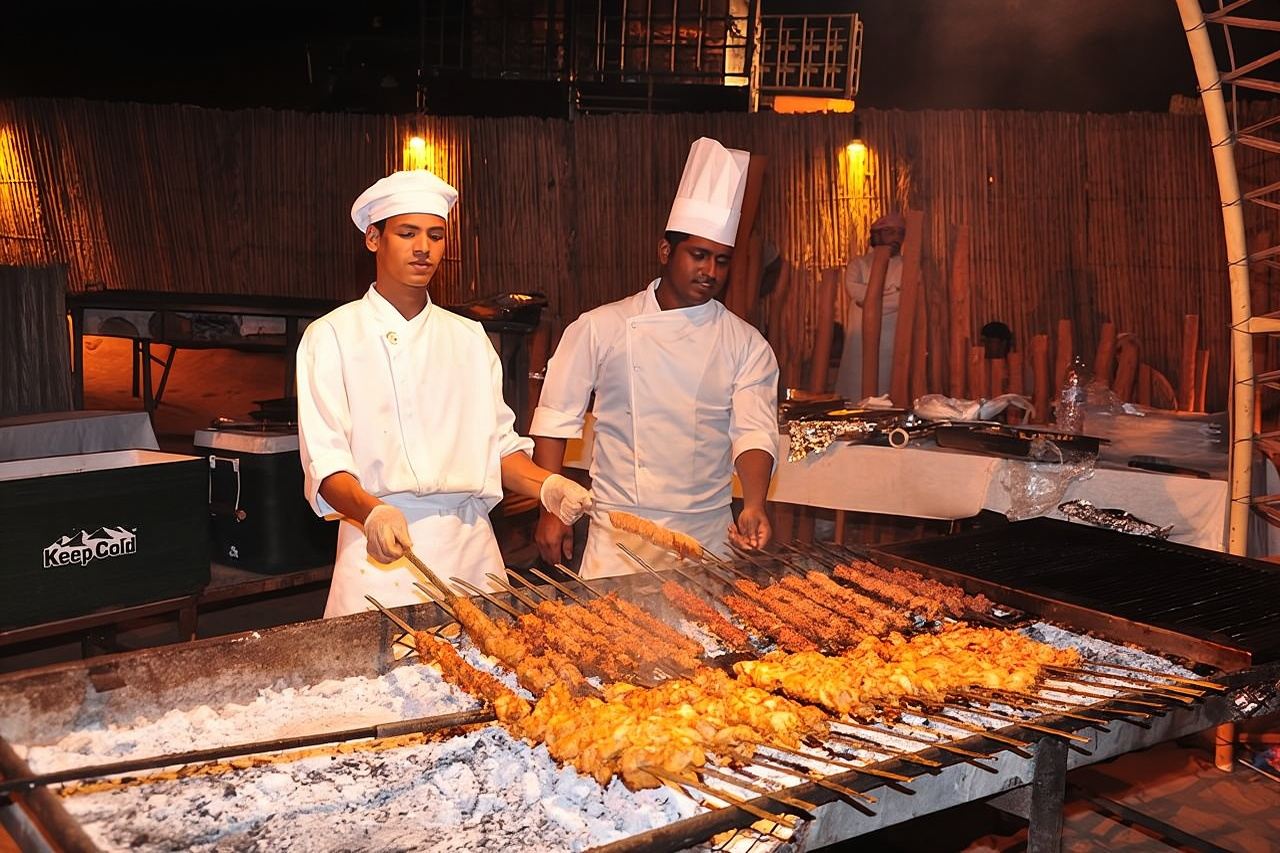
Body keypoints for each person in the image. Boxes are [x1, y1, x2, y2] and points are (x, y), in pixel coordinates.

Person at [296, 170, 592, 617]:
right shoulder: (332, 336)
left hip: (470, 553)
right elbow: (327, 464)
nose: (423, 248)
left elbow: (497, 449)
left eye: (435, 235)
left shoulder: (469, 338)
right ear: (373, 239)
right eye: (407, 233)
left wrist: (547, 486)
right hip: (379, 557)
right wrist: (372, 511)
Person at [530, 137, 780, 579]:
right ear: (666, 251)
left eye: (722, 261)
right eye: (698, 255)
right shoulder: (601, 326)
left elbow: (754, 431)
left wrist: (755, 503)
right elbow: (554, 417)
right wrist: (551, 508)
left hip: (705, 534)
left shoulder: (746, 344)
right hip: (620, 530)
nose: (711, 272)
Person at [833, 212, 907, 401]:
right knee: (854, 397)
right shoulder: (858, 264)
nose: (896, 238)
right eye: (890, 232)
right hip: (858, 345)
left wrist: (870, 301)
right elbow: (854, 291)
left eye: (900, 233)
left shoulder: (908, 267)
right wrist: (890, 292)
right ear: (877, 234)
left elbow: (903, 299)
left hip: (893, 345)